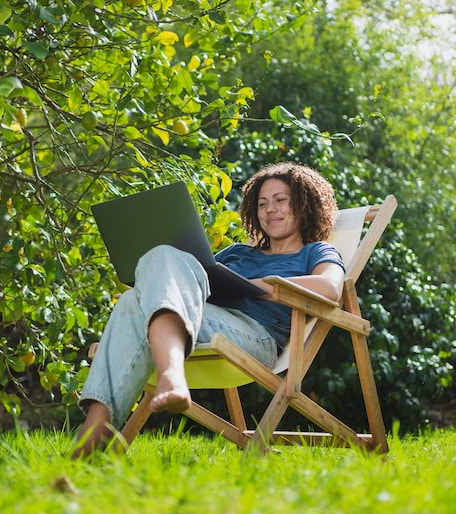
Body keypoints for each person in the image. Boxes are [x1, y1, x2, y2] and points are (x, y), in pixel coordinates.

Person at [71, 162, 345, 459]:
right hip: (202, 322)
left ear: (304, 206)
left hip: (255, 336)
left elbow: (330, 288)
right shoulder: (238, 252)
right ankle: (86, 454)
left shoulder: (315, 251)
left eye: (280, 200)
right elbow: (185, 278)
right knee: (146, 279)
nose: (269, 210)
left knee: (139, 295)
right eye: (262, 203)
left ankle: (158, 384)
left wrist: (257, 286)